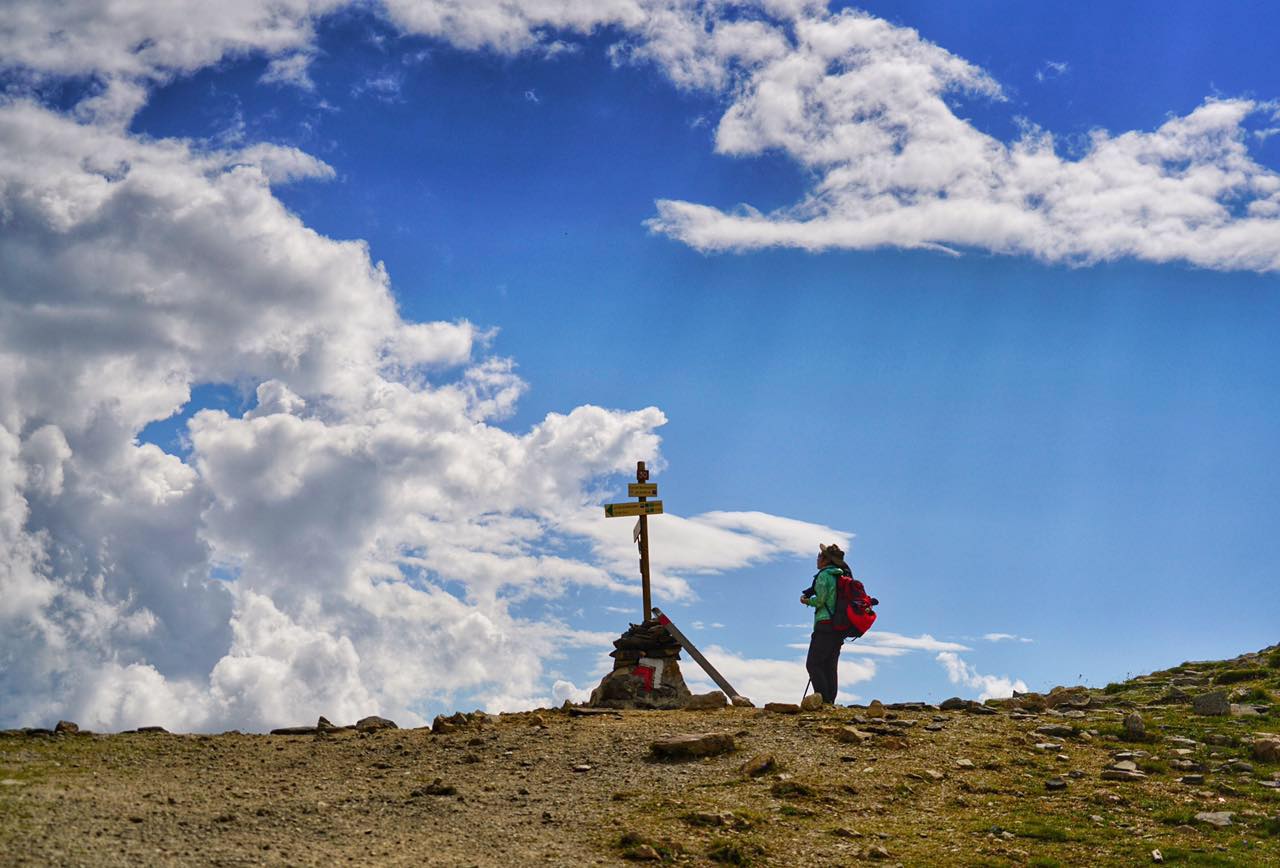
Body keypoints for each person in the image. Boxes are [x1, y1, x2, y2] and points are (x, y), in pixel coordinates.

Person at [801, 542, 851, 704]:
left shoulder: (824, 575)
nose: (817, 559)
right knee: (830, 665)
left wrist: (807, 600)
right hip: (839, 626)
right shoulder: (840, 575)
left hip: (825, 624)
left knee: (813, 663)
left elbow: (821, 600)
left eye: (819, 556)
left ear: (825, 560)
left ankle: (822, 700)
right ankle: (830, 702)